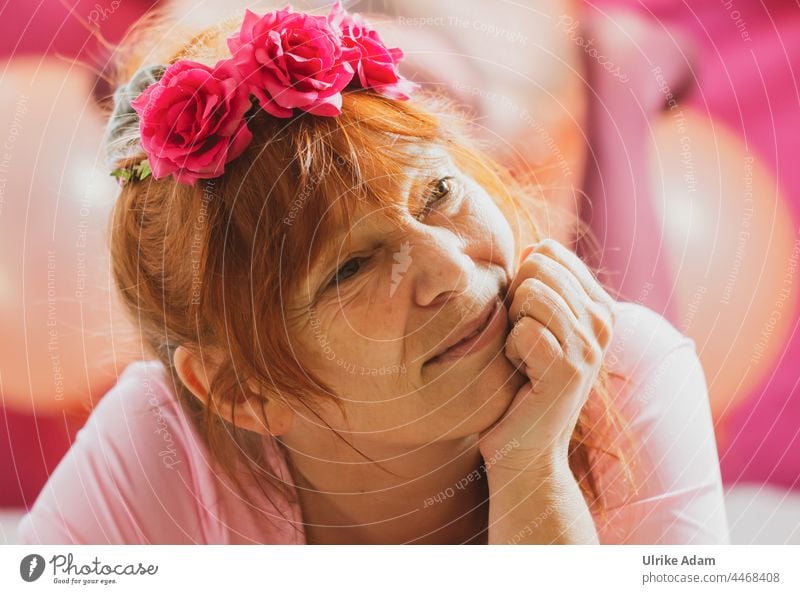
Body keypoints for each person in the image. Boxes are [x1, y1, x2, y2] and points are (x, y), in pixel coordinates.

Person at [17, 3, 728, 545]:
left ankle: (618, 86)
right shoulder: (170, 440)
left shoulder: (632, 371)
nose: (449, 269)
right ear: (241, 391)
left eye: (441, 194)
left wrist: (530, 463)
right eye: (352, 267)